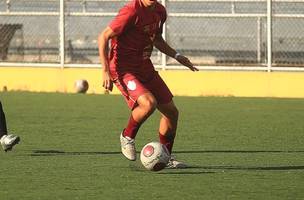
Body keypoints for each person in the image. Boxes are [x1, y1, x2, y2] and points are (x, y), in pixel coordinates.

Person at [98, 0, 198, 168]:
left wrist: (177, 55)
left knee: (172, 113)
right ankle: (127, 136)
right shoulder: (131, 11)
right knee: (149, 103)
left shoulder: (160, 11)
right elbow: (104, 36)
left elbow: (157, 39)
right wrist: (105, 70)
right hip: (123, 69)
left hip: (145, 67)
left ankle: (166, 157)